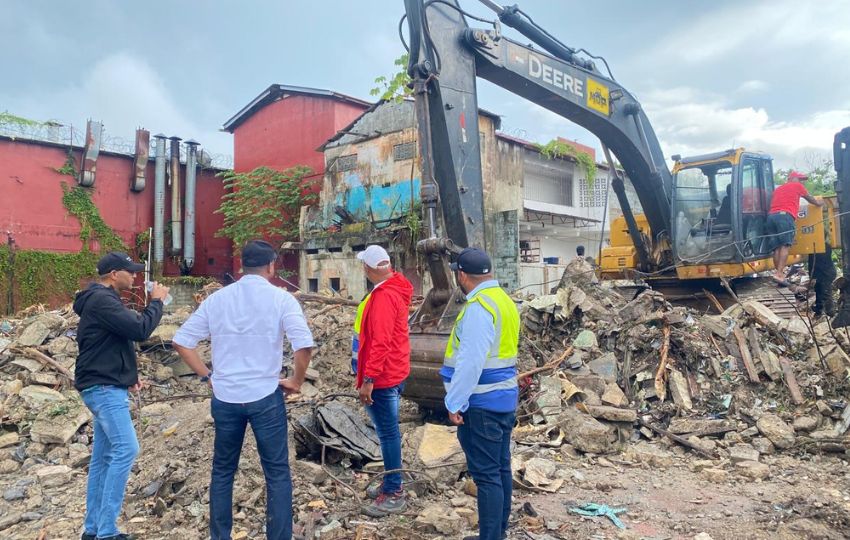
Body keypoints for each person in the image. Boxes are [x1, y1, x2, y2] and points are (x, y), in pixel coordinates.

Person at [172, 240, 314, 540]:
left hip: (225, 397)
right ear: (271, 266)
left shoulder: (217, 300)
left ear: (241, 267)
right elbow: (303, 346)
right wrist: (297, 382)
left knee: (223, 471)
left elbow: (182, 341)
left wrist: (206, 376)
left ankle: (219, 536)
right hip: (265, 395)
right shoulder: (282, 299)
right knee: (276, 472)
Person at [74, 252, 170, 540]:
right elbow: (140, 329)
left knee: (103, 458)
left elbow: (112, 341)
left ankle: (93, 530)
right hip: (103, 389)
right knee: (127, 449)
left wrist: (128, 376)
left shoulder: (100, 301)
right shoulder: (103, 300)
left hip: (104, 385)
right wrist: (157, 302)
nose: (136, 276)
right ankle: (106, 531)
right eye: (131, 271)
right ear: (114, 274)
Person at [441, 248, 520, 540]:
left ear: (462, 275)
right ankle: (497, 532)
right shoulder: (504, 302)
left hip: (482, 403)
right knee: (500, 469)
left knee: (487, 476)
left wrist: (454, 402)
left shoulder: (478, 308)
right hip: (504, 399)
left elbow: (471, 361)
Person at [353, 245, 414, 517]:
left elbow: (380, 342)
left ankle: (394, 491)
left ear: (368, 269)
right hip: (394, 371)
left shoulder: (383, 298)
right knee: (388, 432)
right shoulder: (396, 288)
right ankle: (391, 481)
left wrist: (369, 379)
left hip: (383, 378)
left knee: (388, 434)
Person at [767, 170, 824, 286]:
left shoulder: (778, 189)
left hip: (771, 217)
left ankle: (778, 274)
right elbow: (810, 199)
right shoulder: (797, 186)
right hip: (785, 216)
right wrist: (819, 203)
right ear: (792, 179)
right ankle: (779, 274)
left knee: (776, 248)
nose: (802, 182)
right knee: (785, 245)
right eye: (800, 179)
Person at [808, 245, 837, 317]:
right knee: (819, 289)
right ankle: (819, 308)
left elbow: (814, 264)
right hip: (824, 272)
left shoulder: (821, 247)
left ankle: (830, 311)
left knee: (825, 292)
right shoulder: (820, 246)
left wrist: (813, 276)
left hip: (825, 273)